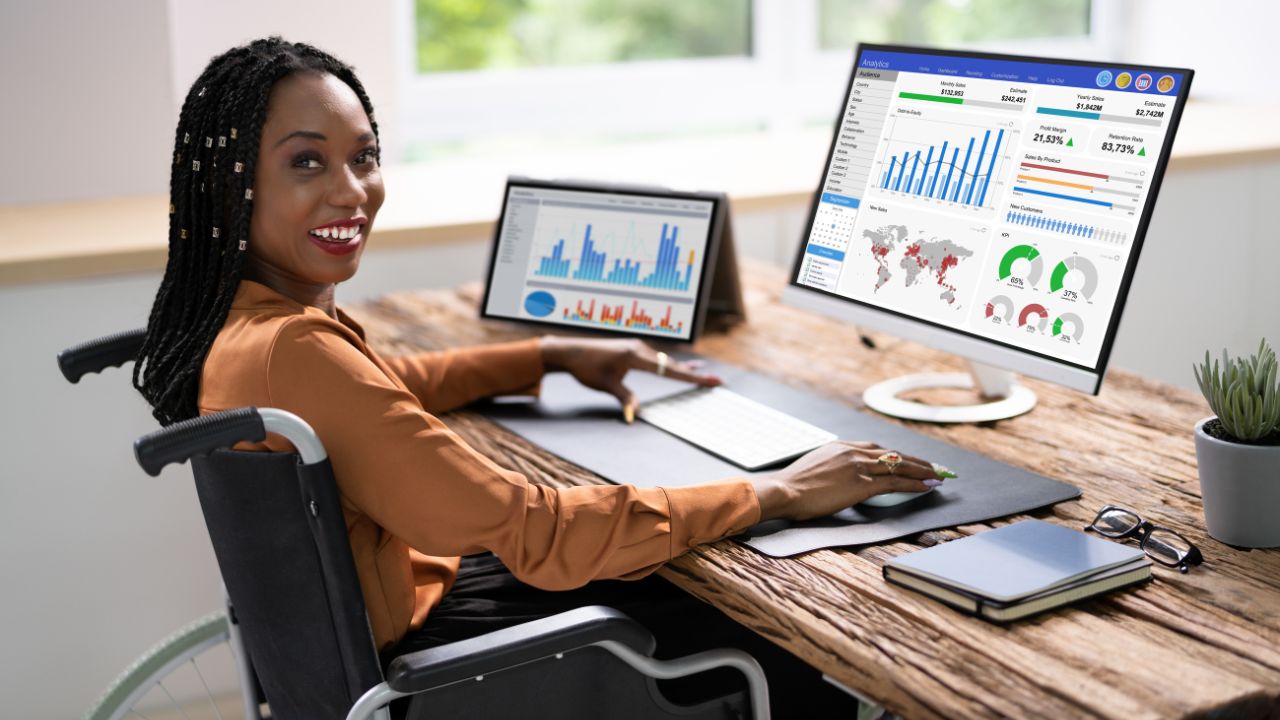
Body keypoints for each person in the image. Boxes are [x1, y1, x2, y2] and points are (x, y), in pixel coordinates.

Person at [134, 37, 943, 717]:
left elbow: (381, 390)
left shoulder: (243, 326)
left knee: (675, 559)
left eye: (364, 156)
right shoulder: (295, 351)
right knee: (776, 626)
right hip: (440, 666)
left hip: (404, 628)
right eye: (306, 162)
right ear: (229, 183)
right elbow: (535, 529)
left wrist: (549, 356)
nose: (352, 191)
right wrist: (777, 492)